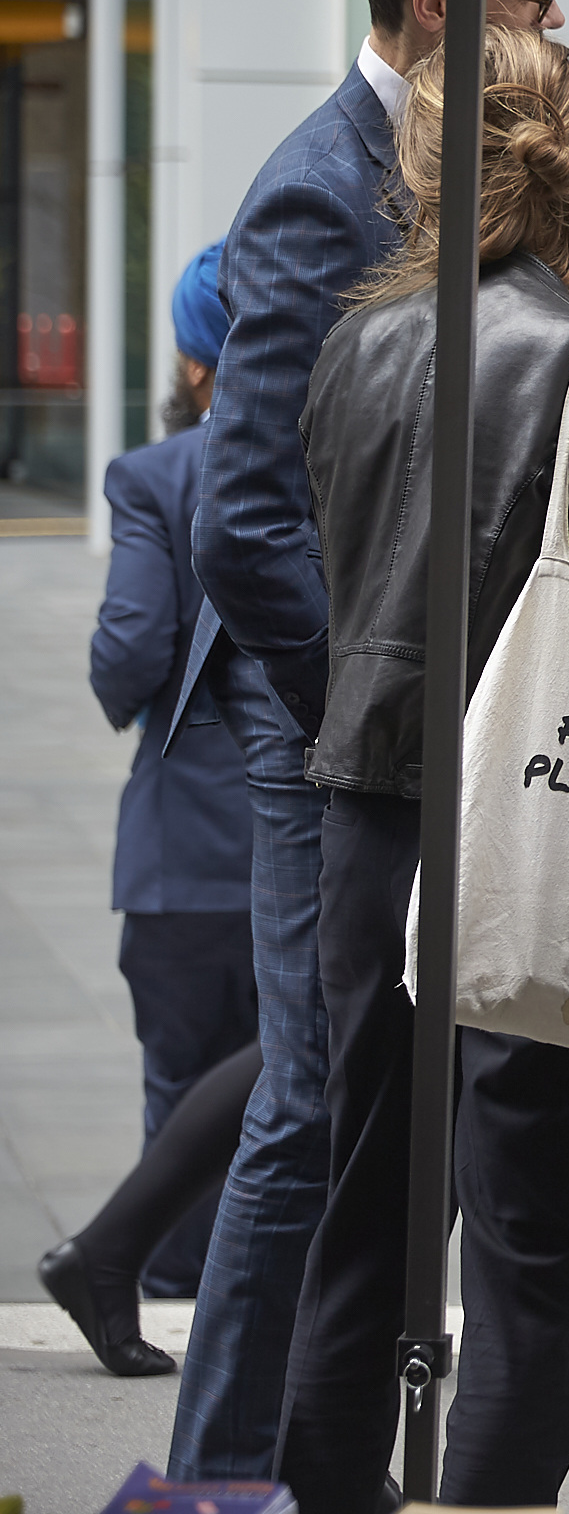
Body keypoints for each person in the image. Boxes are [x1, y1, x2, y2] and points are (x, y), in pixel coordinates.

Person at [271, 25, 569, 1514]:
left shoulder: (356, 342)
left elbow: (334, 579)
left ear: (421, 160)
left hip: (367, 837)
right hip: (538, 833)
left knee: (365, 1216)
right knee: (533, 1261)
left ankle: (328, 1490)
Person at [173, 0, 569, 1478]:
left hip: (424, 725)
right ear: (441, 1)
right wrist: (381, 712)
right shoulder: (323, 186)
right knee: (319, 1105)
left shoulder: (461, 165)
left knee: (367, 1107)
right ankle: (215, 1479)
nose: (564, 34)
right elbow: (243, 517)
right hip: (335, 725)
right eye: (541, 3)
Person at [44, 244, 257, 1375]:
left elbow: (126, 656)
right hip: (286, 844)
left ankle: (158, 1299)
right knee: (287, 1094)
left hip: (178, 855)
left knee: (181, 1088)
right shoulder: (308, 454)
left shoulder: (156, 476)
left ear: (188, 358)